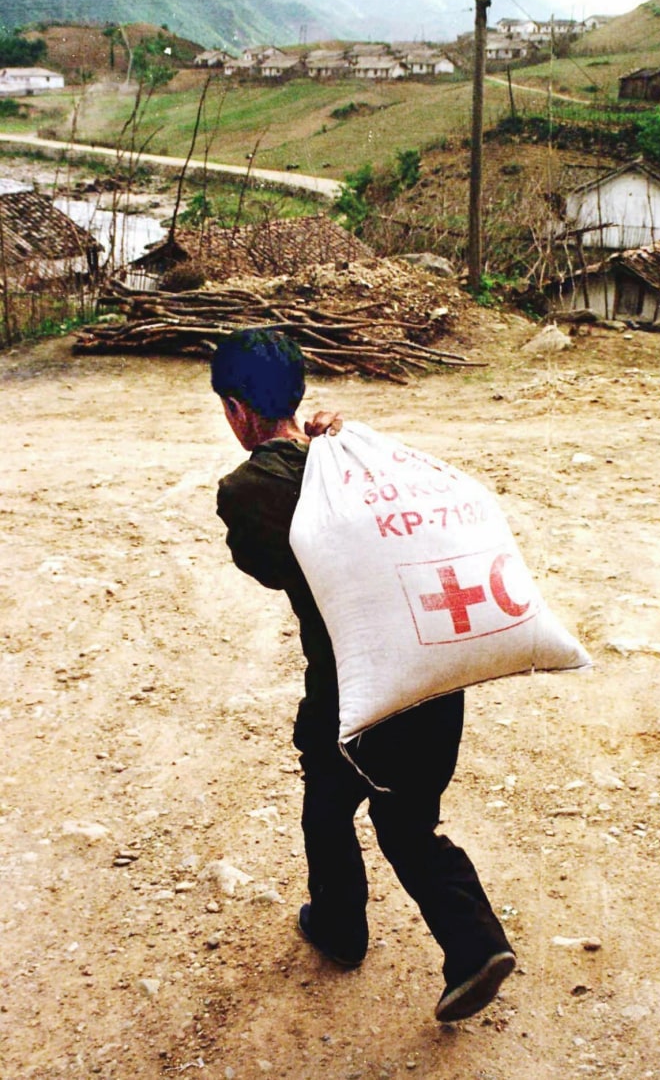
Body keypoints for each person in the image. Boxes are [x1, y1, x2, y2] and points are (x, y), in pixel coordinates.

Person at [211, 327, 515, 1022]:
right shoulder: (348, 465)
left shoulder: (253, 486)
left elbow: (265, 561)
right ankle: (402, 929)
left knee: (367, 815)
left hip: (362, 694)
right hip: (435, 680)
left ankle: (414, 936)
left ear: (235, 410)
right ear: (298, 392)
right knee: (367, 806)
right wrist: (327, 452)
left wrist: (310, 457)